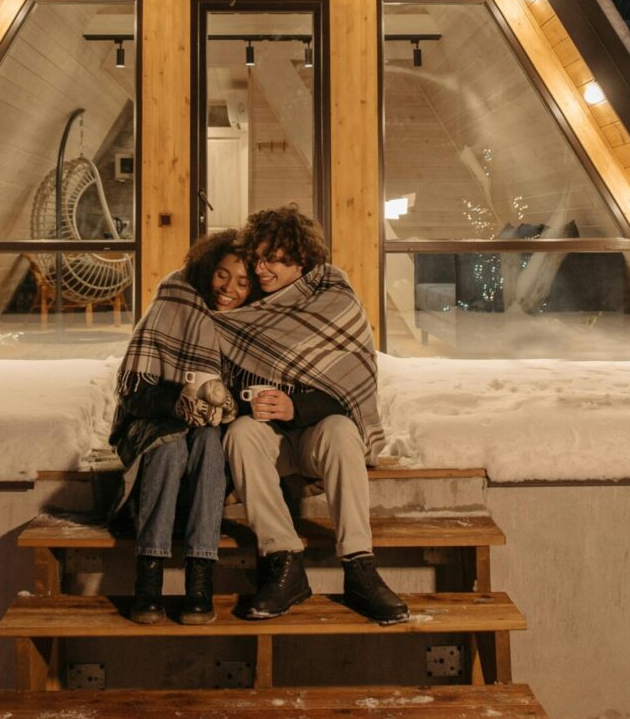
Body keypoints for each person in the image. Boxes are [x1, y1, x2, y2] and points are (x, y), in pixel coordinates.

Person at [223, 206, 409, 625]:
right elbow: (221, 376)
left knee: (342, 431)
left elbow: (352, 389)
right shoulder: (247, 303)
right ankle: (284, 561)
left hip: (315, 437)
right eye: (257, 258)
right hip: (268, 439)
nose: (260, 269)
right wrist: (246, 401)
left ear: (301, 259)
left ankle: (359, 566)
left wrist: (296, 406)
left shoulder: (334, 300)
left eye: (272, 259)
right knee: (240, 433)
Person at [109, 230, 252, 625]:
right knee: (170, 445)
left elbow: (253, 390)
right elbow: (134, 392)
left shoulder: (250, 321)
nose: (230, 289)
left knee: (208, 443)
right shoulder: (176, 293)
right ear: (208, 269)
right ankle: (148, 579)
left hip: (209, 429)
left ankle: (199, 580)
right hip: (153, 419)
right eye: (223, 275)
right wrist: (176, 403)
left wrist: (230, 405)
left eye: (243, 282)